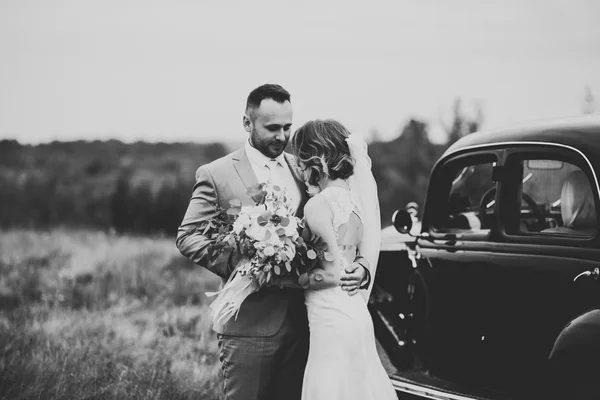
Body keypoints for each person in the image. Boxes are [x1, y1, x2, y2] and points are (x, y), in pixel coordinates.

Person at [176, 84, 370, 400]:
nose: (282, 136)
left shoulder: (304, 167)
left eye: (287, 127)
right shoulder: (216, 174)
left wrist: (361, 267)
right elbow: (188, 236)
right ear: (247, 123)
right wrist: (242, 262)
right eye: (272, 128)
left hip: (308, 325)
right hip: (250, 326)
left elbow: (343, 222)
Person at [291, 119, 396, 400]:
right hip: (357, 313)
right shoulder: (356, 204)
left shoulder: (317, 206)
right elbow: (351, 261)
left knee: (330, 387)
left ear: (316, 158)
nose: (300, 168)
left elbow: (331, 273)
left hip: (330, 318)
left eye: (301, 159)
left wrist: (284, 277)